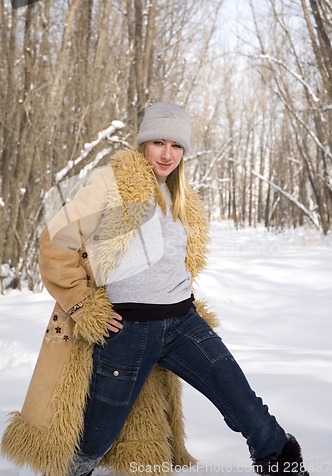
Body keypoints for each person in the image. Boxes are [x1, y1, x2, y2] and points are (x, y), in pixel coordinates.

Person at [1, 103, 310, 476]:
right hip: (126, 330)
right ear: (143, 143)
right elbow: (54, 242)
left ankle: (284, 465)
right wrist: (82, 305)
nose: (167, 154)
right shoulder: (111, 183)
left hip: (183, 324)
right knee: (94, 440)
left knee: (245, 404)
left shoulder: (181, 196)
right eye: (158, 142)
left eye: (176, 146)